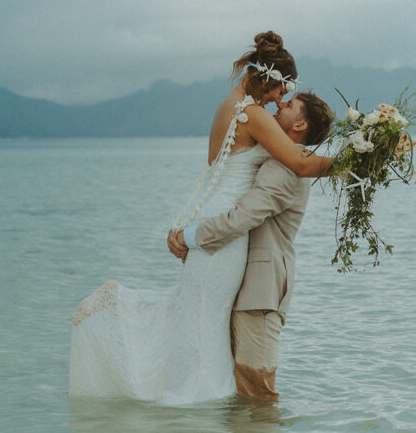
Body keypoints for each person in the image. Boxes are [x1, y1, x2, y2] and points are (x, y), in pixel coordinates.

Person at [70, 32, 333, 405]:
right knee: (203, 319)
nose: (279, 100)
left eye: (285, 97)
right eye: (280, 91)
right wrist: (359, 163)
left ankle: (198, 406)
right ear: (268, 77)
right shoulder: (253, 115)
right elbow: (300, 162)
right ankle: (186, 391)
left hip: (214, 214)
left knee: (199, 312)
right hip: (225, 228)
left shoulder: (230, 105)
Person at [167, 91, 333, 401]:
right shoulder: (272, 156)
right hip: (241, 286)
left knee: (256, 391)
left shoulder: (286, 169)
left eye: (290, 105)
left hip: (261, 293)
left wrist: (190, 237)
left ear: (299, 127)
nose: (280, 104)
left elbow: (242, 218)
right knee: (236, 388)